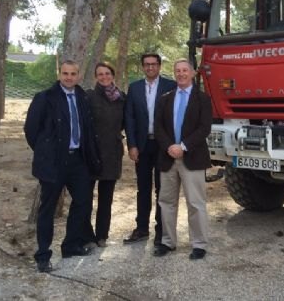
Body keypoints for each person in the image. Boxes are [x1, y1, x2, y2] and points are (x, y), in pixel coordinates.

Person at [24, 60, 98, 273]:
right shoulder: (45, 98)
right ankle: (43, 256)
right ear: (59, 74)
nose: (69, 77)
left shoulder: (82, 97)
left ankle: (71, 245)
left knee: (83, 202)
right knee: (47, 209)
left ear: (78, 75)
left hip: (78, 161)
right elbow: (31, 131)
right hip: (54, 162)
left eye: (73, 74)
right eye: (65, 73)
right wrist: (45, 152)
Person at [153, 59, 212, 260]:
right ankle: (168, 242)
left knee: (196, 203)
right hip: (167, 156)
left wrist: (183, 146)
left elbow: (205, 128)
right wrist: (169, 146)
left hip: (192, 157)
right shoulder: (165, 98)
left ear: (192, 73)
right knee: (166, 202)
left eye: (185, 70)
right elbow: (158, 127)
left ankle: (199, 244)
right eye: (177, 71)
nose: (181, 74)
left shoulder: (202, 98)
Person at [123, 53, 176, 245]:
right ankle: (142, 229)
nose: (150, 67)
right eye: (147, 64)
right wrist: (132, 145)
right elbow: (129, 118)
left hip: (163, 146)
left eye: (154, 64)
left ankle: (161, 232)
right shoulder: (135, 88)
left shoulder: (170, 86)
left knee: (162, 190)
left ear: (160, 66)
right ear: (142, 67)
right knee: (143, 189)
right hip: (142, 146)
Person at [83, 62, 126, 248]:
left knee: (106, 199)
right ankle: (86, 235)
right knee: (84, 198)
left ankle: (102, 235)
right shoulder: (88, 96)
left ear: (113, 75)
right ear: (96, 77)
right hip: (91, 153)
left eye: (107, 73)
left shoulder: (122, 98)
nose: (104, 77)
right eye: (100, 74)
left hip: (112, 153)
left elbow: (126, 122)